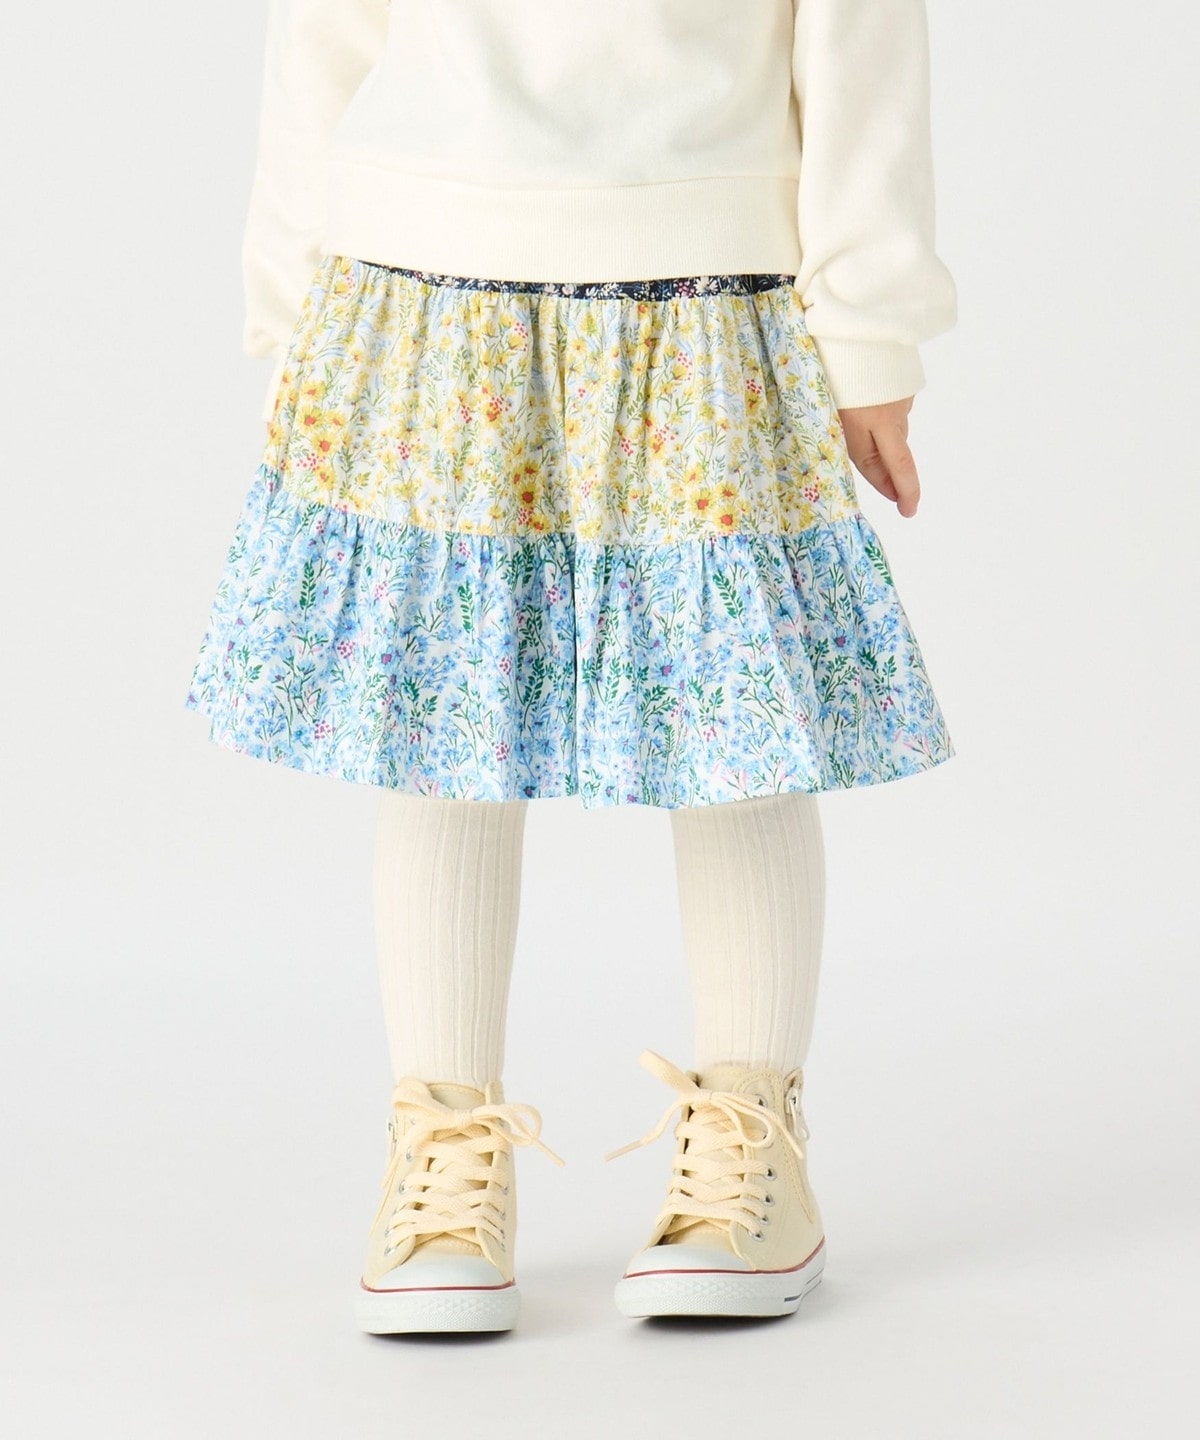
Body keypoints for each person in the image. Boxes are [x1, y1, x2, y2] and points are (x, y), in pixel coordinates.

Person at [184, 0, 958, 1335]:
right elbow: (327, 28)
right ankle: (441, 1147)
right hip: (423, 273)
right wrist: (294, 302)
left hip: (708, 287)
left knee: (736, 723)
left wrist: (870, 323)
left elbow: (860, 30)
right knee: (441, 727)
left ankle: (754, 1135)